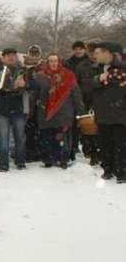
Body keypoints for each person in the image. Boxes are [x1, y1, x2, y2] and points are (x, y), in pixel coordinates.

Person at [31, 52, 85, 168]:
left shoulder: (68, 75)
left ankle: (63, 158)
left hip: (64, 111)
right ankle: (48, 158)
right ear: (47, 62)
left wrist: (81, 110)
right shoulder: (40, 76)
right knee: (47, 136)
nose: (53, 63)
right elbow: (34, 94)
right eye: (51, 61)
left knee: (62, 135)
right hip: (45, 111)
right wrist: (30, 110)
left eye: (55, 61)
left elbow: (76, 94)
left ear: (59, 62)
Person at [89, 42, 126, 182]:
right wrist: (98, 79)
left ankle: (121, 172)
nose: (95, 56)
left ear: (107, 53)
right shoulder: (94, 68)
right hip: (103, 113)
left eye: (98, 53)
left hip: (120, 113)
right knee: (105, 144)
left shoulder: (122, 67)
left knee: (121, 144)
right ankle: (108, 169)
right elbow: (85, 85)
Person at [0, 47, 29, 171]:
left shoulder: (22, 71)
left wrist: (25, 85)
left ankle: (20, 161)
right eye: (8, 55)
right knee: (3, 138)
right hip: (3, 109)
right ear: (3, 58)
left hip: (18, 108)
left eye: (12, 55)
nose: (10, 57)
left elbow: (34, 86)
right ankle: (3, 164)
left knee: (19, 136)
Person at [75, 38, 103, 165]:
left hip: (104, 102)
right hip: (87, 101)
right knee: (89, 130)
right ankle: (92, 154)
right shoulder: (82, 67)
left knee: (103, 130)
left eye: (95, 51)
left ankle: (102, 153)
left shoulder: (106, 65)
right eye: (90, 51)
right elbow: (77, 85)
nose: (93, 54)